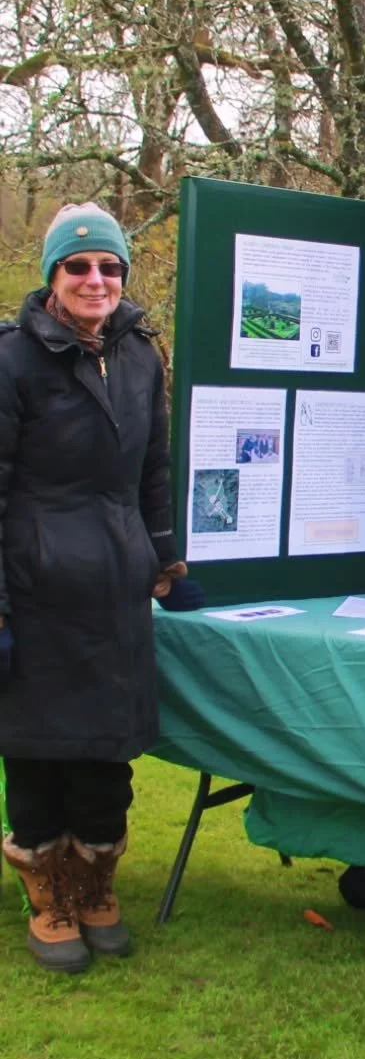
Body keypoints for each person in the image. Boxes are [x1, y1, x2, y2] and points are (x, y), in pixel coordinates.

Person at [0, 203, 206, 975]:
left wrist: (164, 562)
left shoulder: (143, 356)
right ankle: (49, 896)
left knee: (107, 755)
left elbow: (153, 471)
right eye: (78, 267)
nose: (96, 280)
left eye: (109, 267)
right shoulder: (13, 359)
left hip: (117, 586)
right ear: (52, 276)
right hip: (35, 581)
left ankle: (95, 887)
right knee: (37, 752)